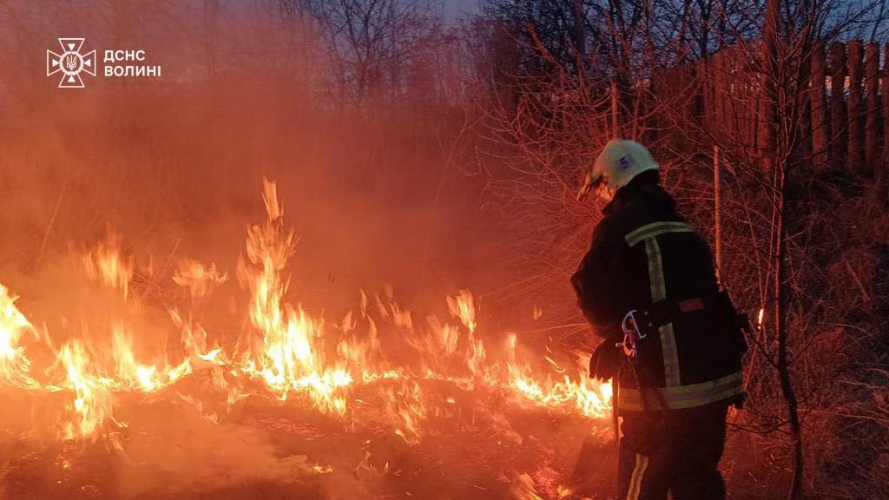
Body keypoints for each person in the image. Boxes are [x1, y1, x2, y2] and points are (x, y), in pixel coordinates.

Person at [571, 139, 748, 500]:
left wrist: (610, 335)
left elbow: (589, 287)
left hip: (662, 389)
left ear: (612, 183)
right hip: (714, 386)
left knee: (643, 475)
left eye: (601, 189)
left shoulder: (618, 227)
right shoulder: (682, 227)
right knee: (697, 480)